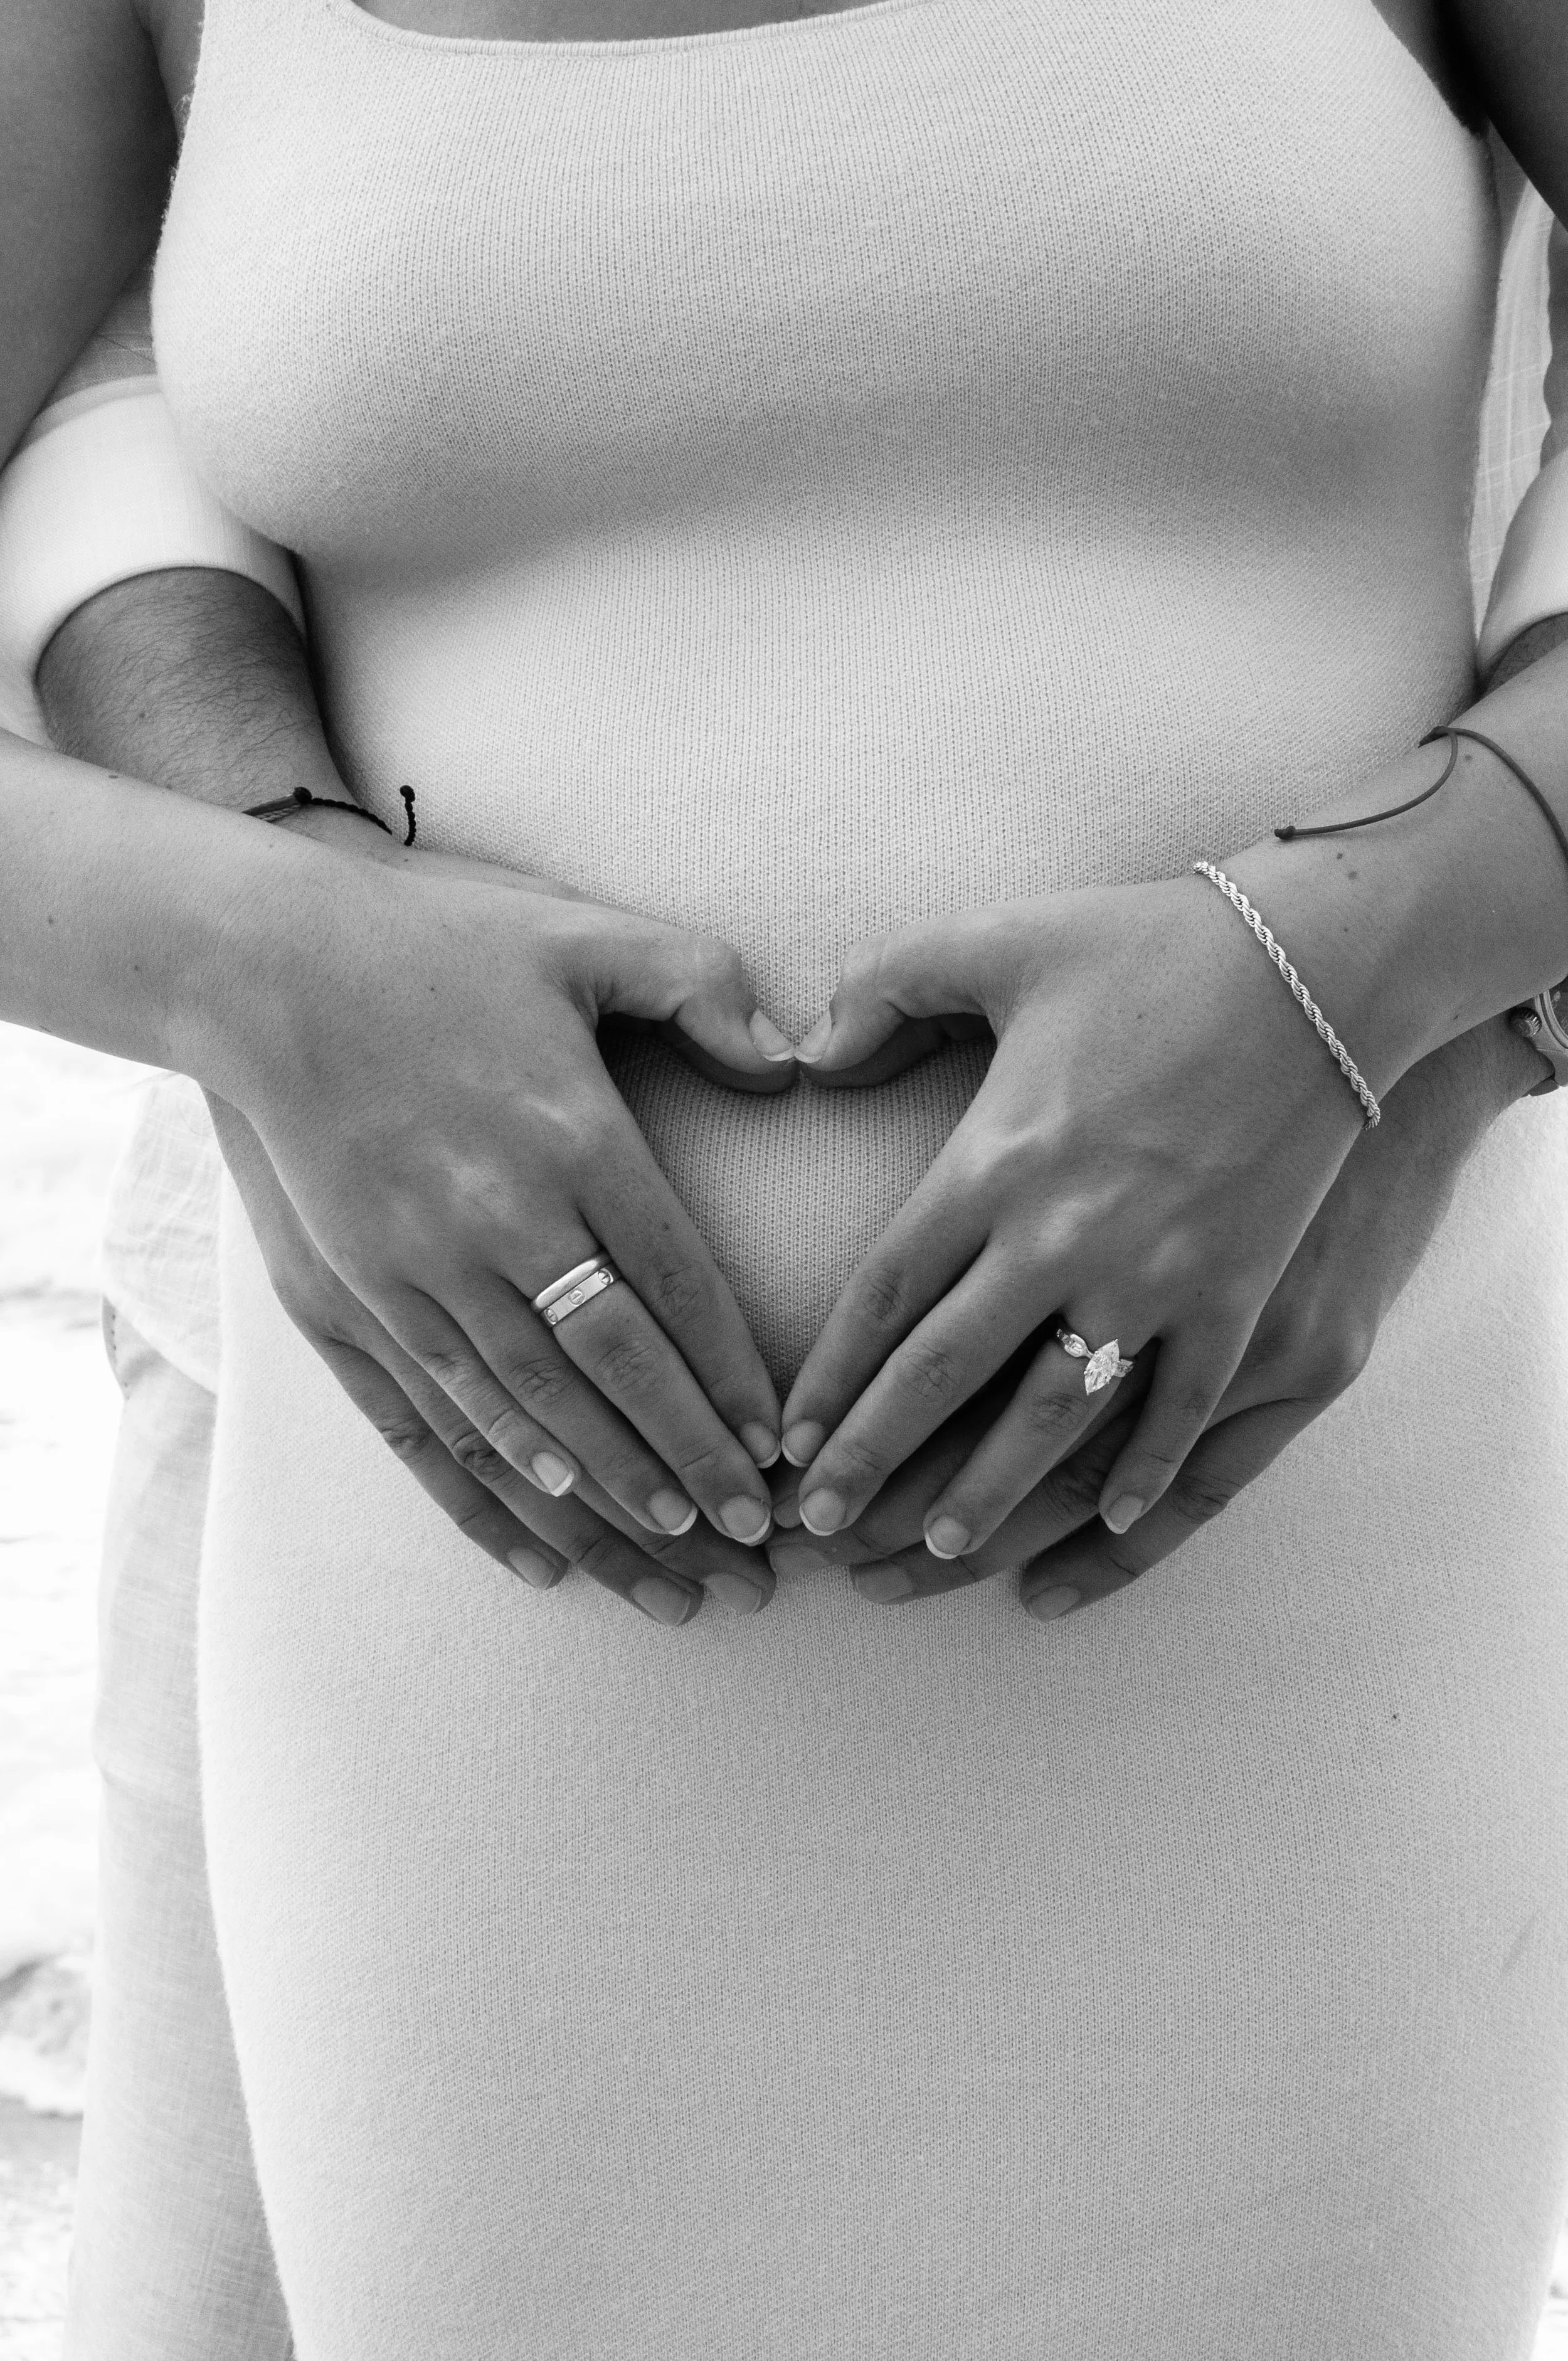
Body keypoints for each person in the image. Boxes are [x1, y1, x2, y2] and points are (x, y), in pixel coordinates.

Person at [6, 0, 1568, 2350]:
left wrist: (1389, 968)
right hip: (474, 1661)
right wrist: (252, 955)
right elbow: (91, 379)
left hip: (1292, 1586)